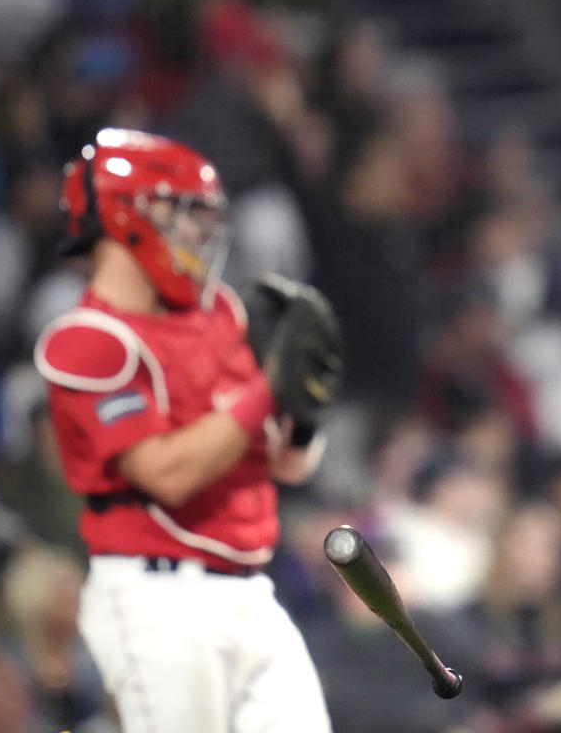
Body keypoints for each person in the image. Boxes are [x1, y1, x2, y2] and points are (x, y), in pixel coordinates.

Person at [32, 128, 341, 732]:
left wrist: (303, 409)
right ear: (125, 215)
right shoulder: (87, 340)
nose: (199, 231)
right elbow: (167, 474)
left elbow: (287, 463)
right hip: (156, 598)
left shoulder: (218, 310)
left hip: (250, 589)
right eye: (180, 210)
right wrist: (267, 387)